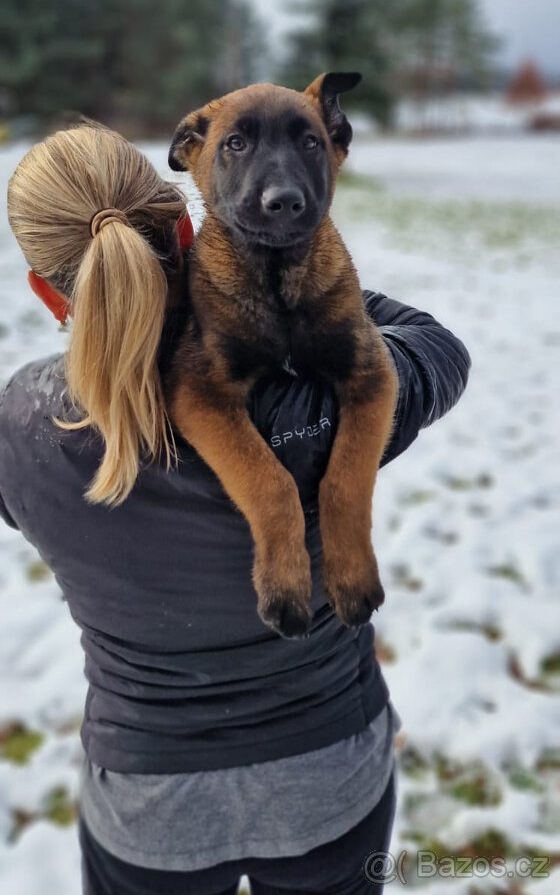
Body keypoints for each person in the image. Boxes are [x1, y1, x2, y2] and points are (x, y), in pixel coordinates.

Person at [1, 123, 470, 895]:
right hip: (328, 777)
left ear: (46, 292)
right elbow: (436, 347)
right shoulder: (314, 400)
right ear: (190, 231)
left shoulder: (22, 421)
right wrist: (289, 282)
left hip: (149, 802)